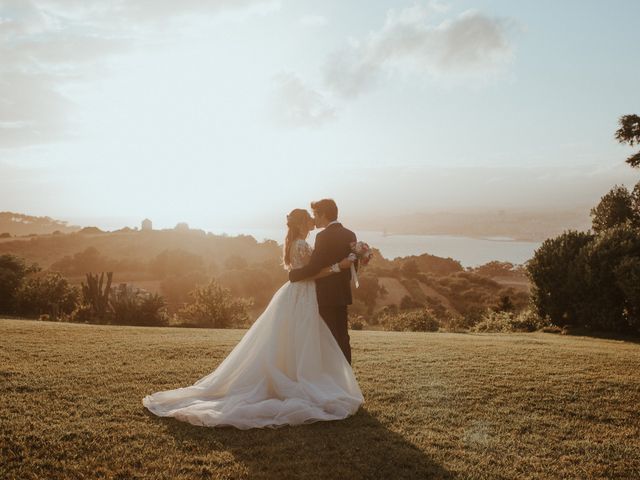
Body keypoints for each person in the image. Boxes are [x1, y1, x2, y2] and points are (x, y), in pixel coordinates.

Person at [142, 208, 363, 429]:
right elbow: (310, 272)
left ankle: (295, 374)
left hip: (297, 293)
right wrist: (338, 266)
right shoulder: (302, 245)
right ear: (301, 224)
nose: (313, 222)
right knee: (300, 336)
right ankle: (299, 378)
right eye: (308, 220)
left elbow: (304, 271)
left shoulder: (294, 243)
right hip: (302, 293)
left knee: (293, 337)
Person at [288, 198, 357, 364]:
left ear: (323, 214)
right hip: (343, 293)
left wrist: (294, 275)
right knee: (342, 336)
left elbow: (314, 268)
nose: (314, 219)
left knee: (328, 338)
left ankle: (331, 375)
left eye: (315, 215)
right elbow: (353, 265)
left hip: (324, 294)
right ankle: (346, 375)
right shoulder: (350, 234)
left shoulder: (322, 236)